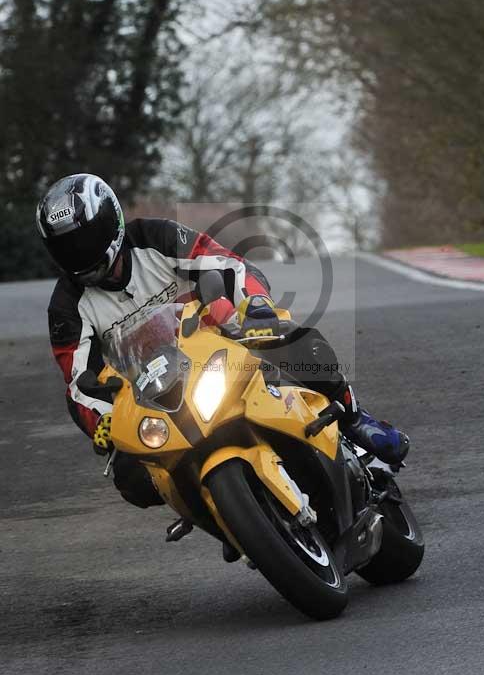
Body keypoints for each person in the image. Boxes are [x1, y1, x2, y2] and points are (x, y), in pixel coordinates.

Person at [37, 173, 409, 512]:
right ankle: (219, 512)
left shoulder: (155, 238)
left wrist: (255, 304)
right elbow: (77, 383)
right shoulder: (67, 307)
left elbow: (226, 264)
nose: (80, 254)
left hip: (219, 343)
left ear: (111, 223)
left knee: (292, 341)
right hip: (153, 394)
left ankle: (355, 417)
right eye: (67, 247)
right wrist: (104, 420)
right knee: (131, 476)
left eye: (85, 239)